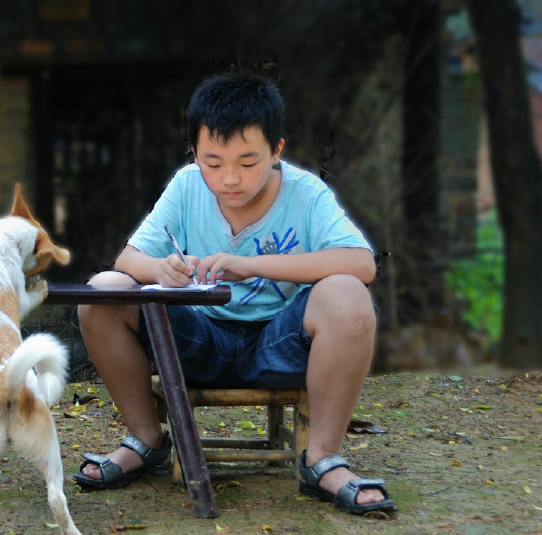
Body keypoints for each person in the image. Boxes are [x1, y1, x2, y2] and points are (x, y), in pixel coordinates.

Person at [72, 72, 396, 515]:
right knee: (102, 291)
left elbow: (361, 263)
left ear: (276, 151)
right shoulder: (187, 186)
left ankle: (321, 460)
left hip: (281, 343)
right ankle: (146, 441)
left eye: (248, 163)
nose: (229, 179)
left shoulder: (306, 193)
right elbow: (129, 260)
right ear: (194, 153)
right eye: (212, 162)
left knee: (347, 296)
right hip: (197, 339)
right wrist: (161, 269)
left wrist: (251, 265)